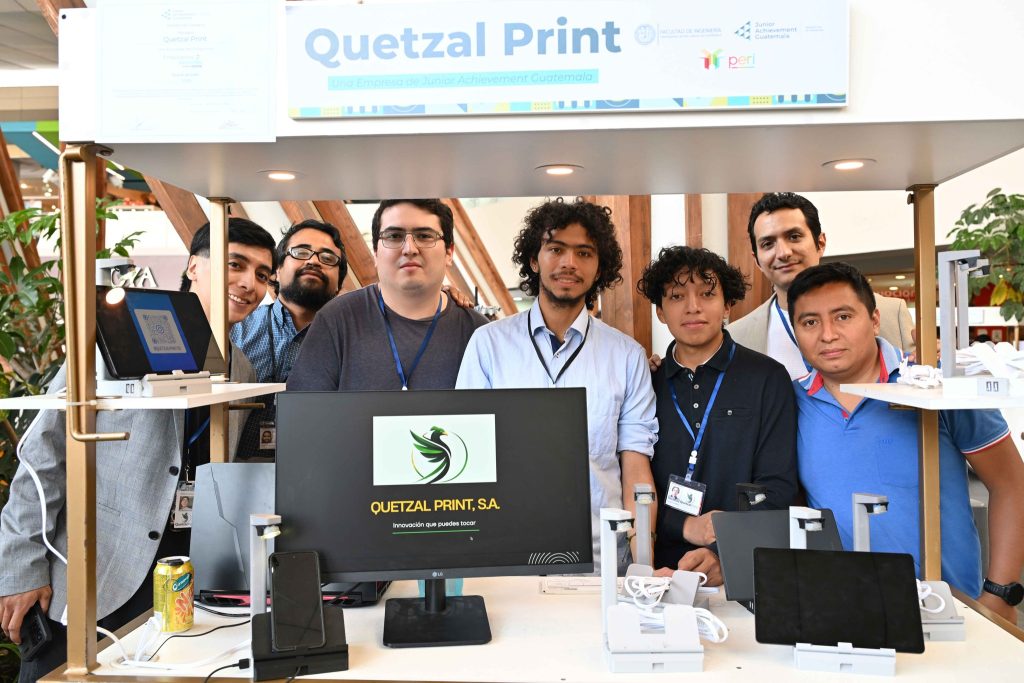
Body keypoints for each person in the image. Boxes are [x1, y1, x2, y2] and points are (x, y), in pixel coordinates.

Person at [0, 218, 277, 681]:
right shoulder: (119, 330)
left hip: (181, 579)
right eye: (235, 264)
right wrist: (20, 566)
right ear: (193, 266)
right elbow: (43, 453)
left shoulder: (243, 369)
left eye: (263, 274)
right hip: (96, 570)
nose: (250, 282)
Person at [789, 262, 1024, 623]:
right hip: (841, 612)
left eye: (843, 316)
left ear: (874, 320)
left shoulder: (933, 385)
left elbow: (1011, 483)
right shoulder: (790, 402)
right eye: (809, 322)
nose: (828, 334)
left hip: (944, 612)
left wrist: (1001, 592)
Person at [456, 197, 658, 571]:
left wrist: (643, 561)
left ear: (600, 267)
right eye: (556, 249)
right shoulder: (488, 345)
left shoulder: (627, 356)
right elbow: (466, 456)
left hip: (601, 560)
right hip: (504, 554)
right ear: (534, 260)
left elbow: (636, 469)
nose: (569, 263)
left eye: (584, 253)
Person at [638, 246, 798, 584]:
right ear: (660, 312)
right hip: (660, 571)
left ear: (727, 305)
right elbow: (633, 483)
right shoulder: (646, 383)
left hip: (745, 568)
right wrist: (684, 525)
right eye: (677, 296)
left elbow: (779, 486)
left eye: (707, 294)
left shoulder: (767, 377)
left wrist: (724, 550)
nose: (693, 306)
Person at [287, 199, 488, 391]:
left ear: (449, 253)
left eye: (425, 236)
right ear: (375, 253)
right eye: (394, 236)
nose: (409, 249)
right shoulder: (337, 320)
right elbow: (303, 411)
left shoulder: (479, 334)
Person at [728, 192, 915, 379]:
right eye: (768, 244)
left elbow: (920, 378)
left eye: (794, 236)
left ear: (820, 243)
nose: (783, 253)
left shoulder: (891, 313)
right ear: (757, 260)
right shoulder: (737, 336)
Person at [231, 219, 347, 457]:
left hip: (317, 470)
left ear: (339, 284)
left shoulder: (350, 343)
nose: (313, 261)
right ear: (277, 271)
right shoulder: (235, 330)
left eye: (328, 258)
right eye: (301, 252)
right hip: (232, 470)